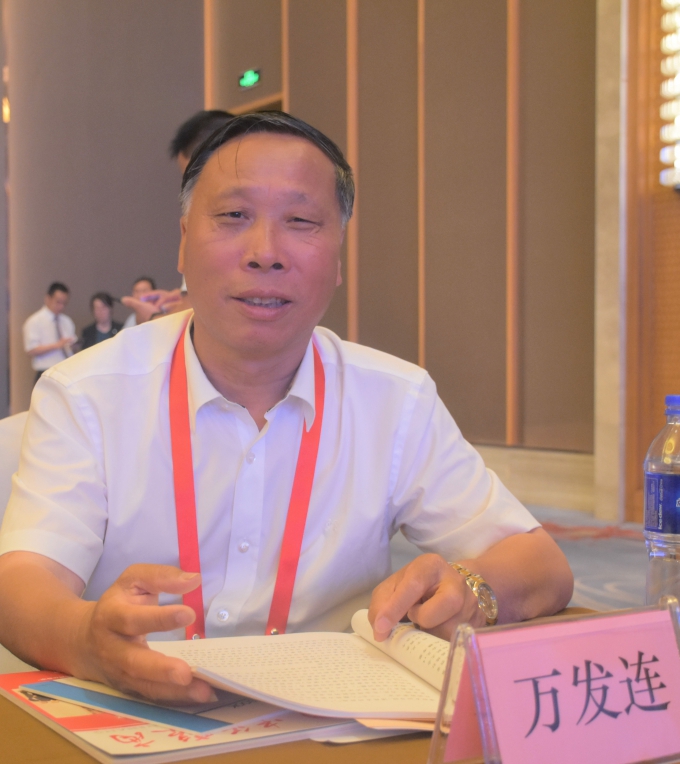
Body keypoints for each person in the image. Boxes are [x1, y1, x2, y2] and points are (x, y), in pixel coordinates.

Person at [0, 112, 573, 705]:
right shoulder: (86, 394)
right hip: (133, 717)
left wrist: (473, 589)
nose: (265, 252)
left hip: (327, 723)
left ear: (339, 258)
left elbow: (542, 566)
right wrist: (88, 641)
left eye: (301, 222)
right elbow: (20, 586)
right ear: (183, 242)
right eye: (233, 216)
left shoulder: (395, 400)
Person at [122, 110, 237, 323]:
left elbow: (201, 316)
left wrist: (153, 318)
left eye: (192, 176)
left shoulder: (217, 224)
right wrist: (183, 295)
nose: (189, 189)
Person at [22, 282, 77, 384]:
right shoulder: (35, 321)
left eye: (64, 303)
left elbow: (71, 348)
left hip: (66, 372)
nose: (61, 306)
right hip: (45, 372)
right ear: (47, 298)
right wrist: (57, 345)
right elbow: (31, 350)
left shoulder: (67, 321)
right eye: (58, 302)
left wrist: (73, 346)